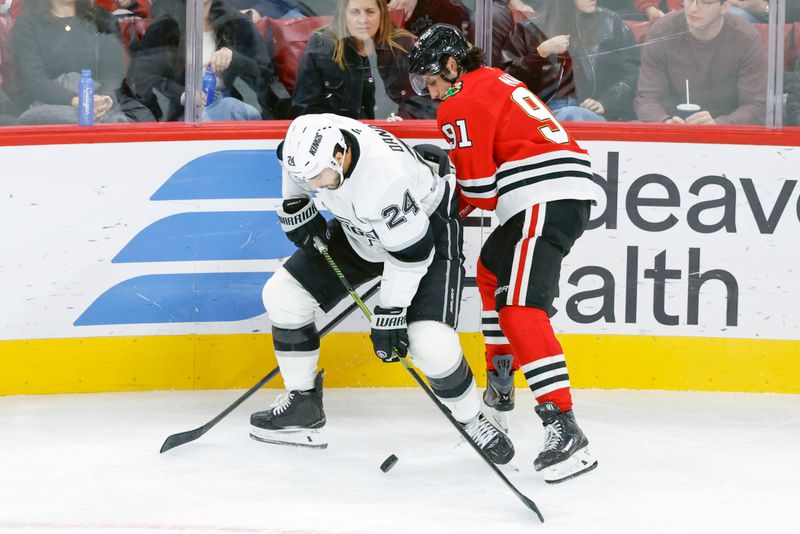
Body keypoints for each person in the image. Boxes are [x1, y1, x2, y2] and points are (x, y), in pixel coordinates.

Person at [249, 113, 515, 465]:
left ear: (340, 154)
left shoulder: (382, 179)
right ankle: (303, 404)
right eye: (307, 178)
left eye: (318, 177)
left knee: (429, 344)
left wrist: (390, 312)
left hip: (425, 236)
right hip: (360, 231)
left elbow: (411, 255)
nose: (314, 184)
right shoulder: (311, 135)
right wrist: (296, 201)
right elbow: (290, 160)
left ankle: (471, 419)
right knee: (283, 294)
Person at [408, 24, 599, 483]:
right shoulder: (491, 79)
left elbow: (480, 191)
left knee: (519, 308)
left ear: (453, 66)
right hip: (545, 194)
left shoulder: (460, 100)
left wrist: (436, 207)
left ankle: (563, 426)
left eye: (432, 80)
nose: (432, 94)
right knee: (490, 271)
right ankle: (499, 392)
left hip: (542, 196)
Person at [291, 0, 436, 119]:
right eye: (354, 12)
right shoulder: (321, 45)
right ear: (344, 14)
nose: (362, 20)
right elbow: (304, 109)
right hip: (343, 143)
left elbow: (428, 104)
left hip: (396, 139)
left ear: (382, 14)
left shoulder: (404, 46)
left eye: (370, 12)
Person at [126, 0, 269, 121]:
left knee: (229, 107)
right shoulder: (164, 28)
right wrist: (182, 94)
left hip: (236, 116)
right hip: (182, 118)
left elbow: (265, 77)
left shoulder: (238, 25)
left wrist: (234, 59)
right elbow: (139, 80)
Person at [501, 0, 640, 122]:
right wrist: (541, 53)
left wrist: (607, 102)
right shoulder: (529, 29)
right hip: (544, 112)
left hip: (591, 110)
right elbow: (507, 82)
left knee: (572, 114)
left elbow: (632, 71)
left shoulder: (610, 22)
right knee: (568, 115)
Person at [634, 0, 766, 125]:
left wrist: (719, 124)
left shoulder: (745, 38)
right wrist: (665, 122)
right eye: (689, 0)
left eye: (704, 2)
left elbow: (756, 105)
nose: (693, 9)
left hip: (727, 134)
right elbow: (647, 99)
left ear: (725, 6)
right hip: (671, 129)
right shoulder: (661, 32)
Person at [10, 0, 143, 124]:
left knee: (140, 118)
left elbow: (113, 75)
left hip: (101, 104)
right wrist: (77, 100)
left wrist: (106, 99)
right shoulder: (27, 23)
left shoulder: (104, 20)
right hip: (52, 108)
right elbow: (33, 80)